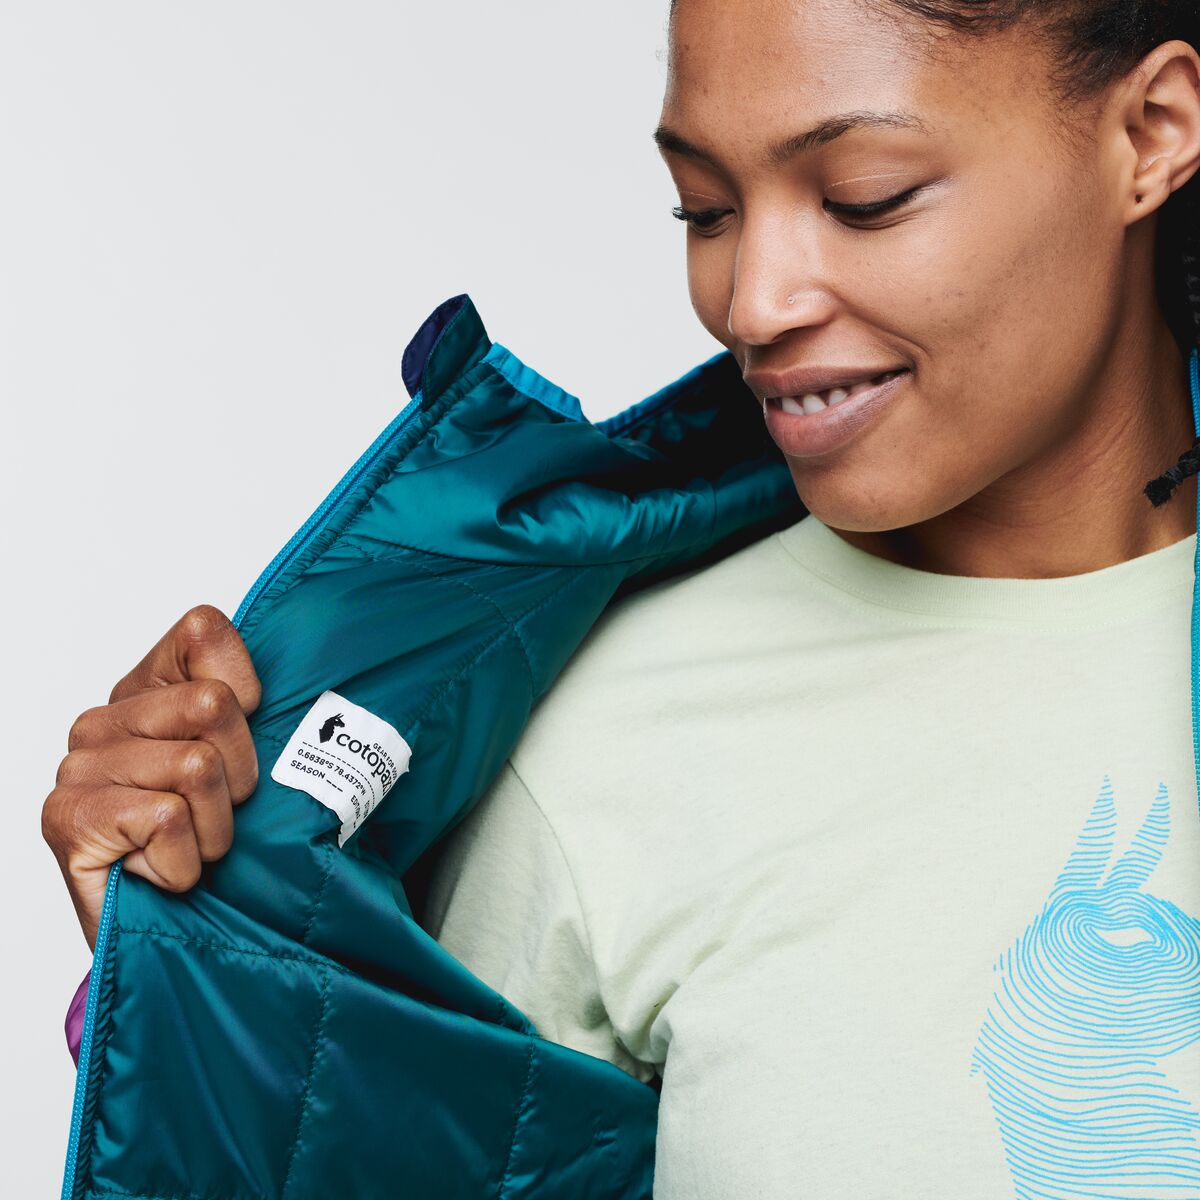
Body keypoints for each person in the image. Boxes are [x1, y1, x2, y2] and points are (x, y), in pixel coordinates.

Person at [42, 0, 1200, 1195]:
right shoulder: (611, 745)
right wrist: (200, 971)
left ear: (1153, 132)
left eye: (864, 197)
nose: (753, 304)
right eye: (706, 210)